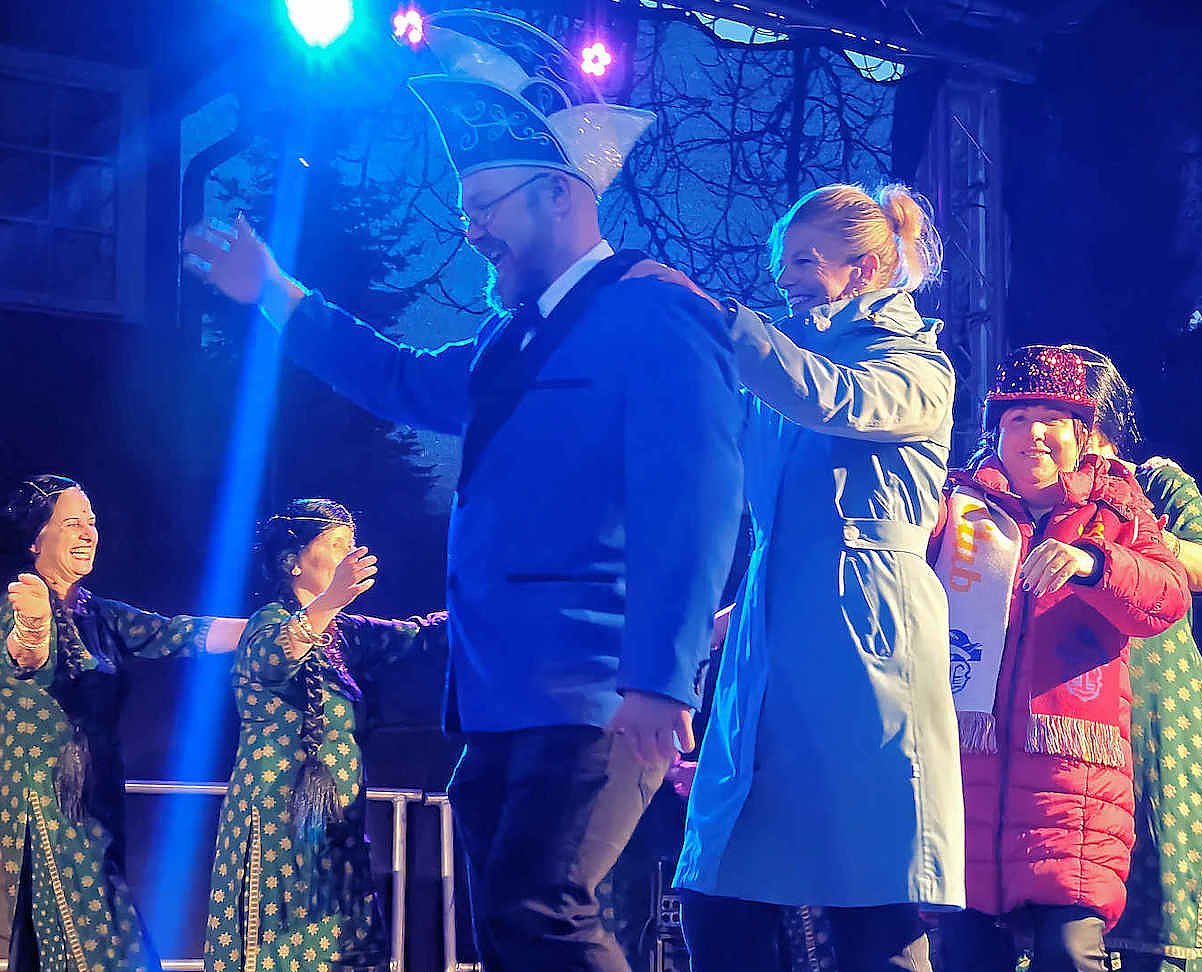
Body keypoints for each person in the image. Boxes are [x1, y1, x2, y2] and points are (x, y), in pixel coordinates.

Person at [182, 11, 744, 971]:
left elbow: (696, 498)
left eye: (485, 204)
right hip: (498, 696)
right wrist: (277, 295)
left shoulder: (658, 310)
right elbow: (401, 379)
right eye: (465, 208)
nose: (471, 229)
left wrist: (663, 676)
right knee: (509, 927)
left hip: (597, 686)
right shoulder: (506, 339)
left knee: (541, 909)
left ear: (559, 194)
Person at [675, 183, 966, 971]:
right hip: (770, 648)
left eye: (806, 260)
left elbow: (832, 398)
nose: (788, 277)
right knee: (718, 899)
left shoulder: (915, 366)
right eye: (784, 262)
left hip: (865, 644)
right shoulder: (781, 370)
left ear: (865, 268)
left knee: (872, 900)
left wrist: (729, 325)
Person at [929, 346, 1192, 972]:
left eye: (1052, 418)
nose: (1034, 433)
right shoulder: (956, 506)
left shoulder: (1116, 510)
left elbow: (1168, 594)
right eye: (1017, 419)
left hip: (1074, 786)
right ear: (996, 433)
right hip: (965, 777)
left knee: (1070, 953)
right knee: (965, 955)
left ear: (1081, 433)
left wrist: (1095, 564)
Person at [0, 475, 244, 971]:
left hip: (99, 799)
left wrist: (274, 627)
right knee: (111, 942)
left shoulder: (102, 615)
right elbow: (26, 657)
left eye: (91, 522)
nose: (88, 532)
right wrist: (33, 625)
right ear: (35, 540)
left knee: (66, 945)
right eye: (72, 523)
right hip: (48, 803)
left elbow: (178, 633)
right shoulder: (18, 602)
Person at [205, 498, 446, 972]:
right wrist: (330, 600)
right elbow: (274, 660)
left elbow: (418, 636)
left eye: (351, 545)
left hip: (336, 823)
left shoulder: (346, 633)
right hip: (277, 822)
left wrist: (482, 599)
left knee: (343, 943)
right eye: (336, 545)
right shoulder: (266, 624)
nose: (349, 555)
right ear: (291, 563)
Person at [1064, 346, 1202, 972]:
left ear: (1098, 421)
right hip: (1064, 700)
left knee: (1159, 863)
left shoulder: (1154, 482)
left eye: (1064, 417)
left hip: (1154, 700)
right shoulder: (1028, 489)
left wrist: (1135, 534)